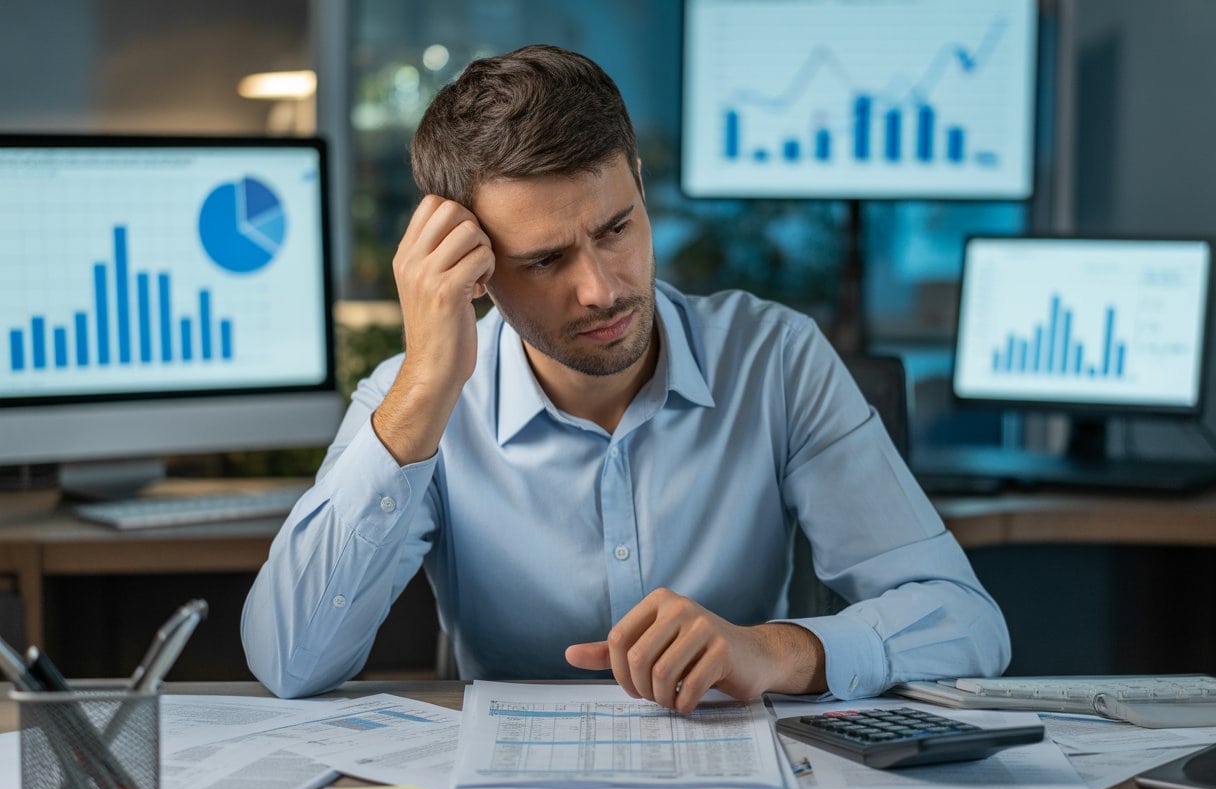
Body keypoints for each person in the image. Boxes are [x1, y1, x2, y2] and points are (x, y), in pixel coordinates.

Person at [241, 44, 1010, 709]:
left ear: (638, 184)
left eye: (616, 229)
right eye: (545, 261)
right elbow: (288, 662)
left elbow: (965, 624)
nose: (603, 289)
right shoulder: (415, 400)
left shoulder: (775, 359)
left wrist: (773, 652)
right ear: (474, 270)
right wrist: (426, 390)